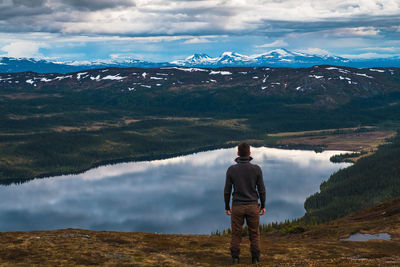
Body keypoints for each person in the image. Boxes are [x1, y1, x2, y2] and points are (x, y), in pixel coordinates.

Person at [224, 142, 266, 265]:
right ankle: (255, 259)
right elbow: (262, 190)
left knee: (236, 233)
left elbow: (227, 191)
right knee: (254, 233)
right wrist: (262, 205)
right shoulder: (256, 169)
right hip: (253, 206)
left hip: (237, 206)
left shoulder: (232, 169)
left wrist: (227, 207)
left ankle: (235, 258)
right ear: (249, 153)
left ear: (238, 153)